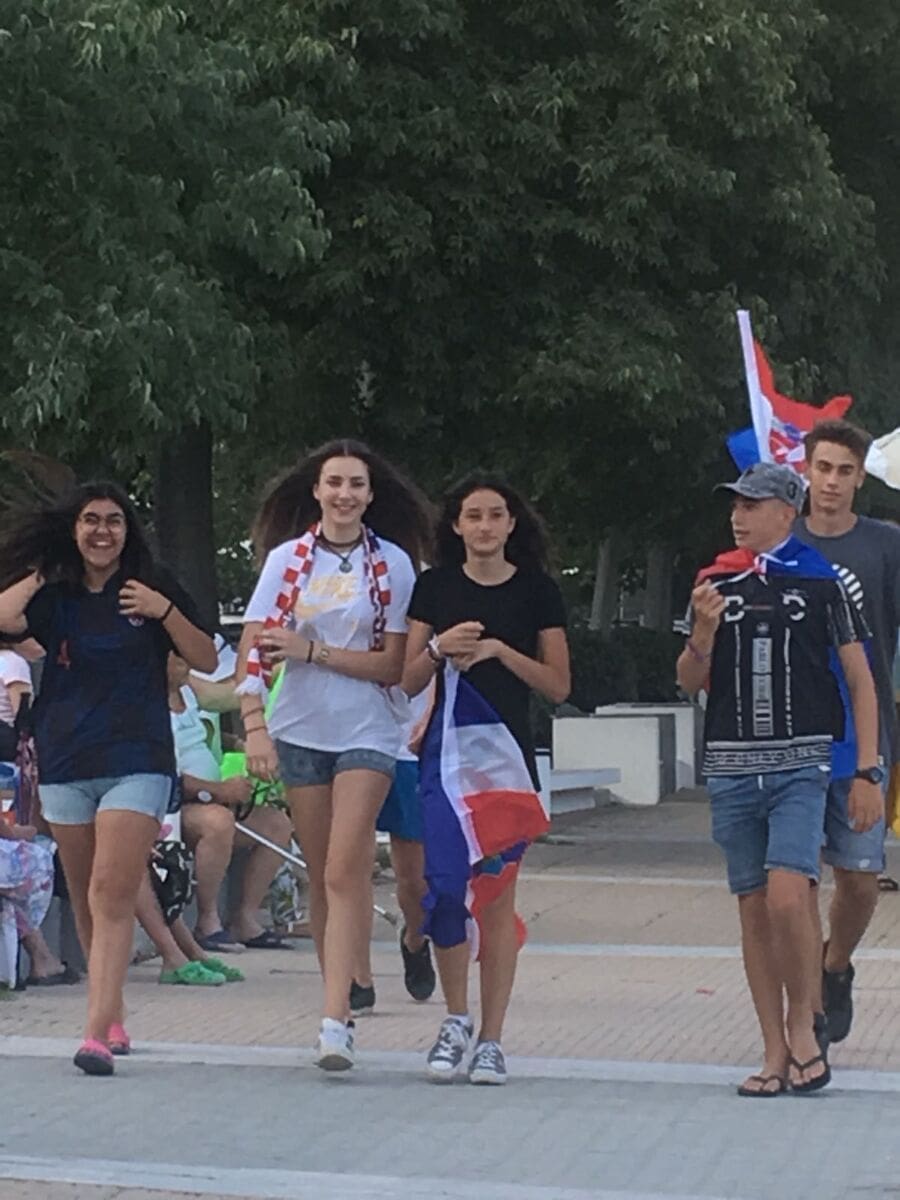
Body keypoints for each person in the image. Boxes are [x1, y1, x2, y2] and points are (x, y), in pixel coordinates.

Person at [677, 462, 881, 1096]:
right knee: (753, 908)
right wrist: (702, 633)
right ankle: (772, 1048)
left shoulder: (821, 583)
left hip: (801, 760)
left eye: (752, 505)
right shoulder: (714, 580)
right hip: (733, 763)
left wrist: (868, 767)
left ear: (786, 513)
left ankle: (803, 1019)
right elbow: (688, 681)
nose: (738, 516)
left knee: (790, 895)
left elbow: (860, 679)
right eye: (736, 504)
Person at [0, 481, 216, 1075]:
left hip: (136, 757)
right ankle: (111, 1009)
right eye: (90, 520)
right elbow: (5, 615)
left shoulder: (150, 586)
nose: (102, 531)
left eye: (114, 520)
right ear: (74, 529)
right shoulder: (58, 593)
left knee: (110, 890)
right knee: (86, 894)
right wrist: (43, 570)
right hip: (67, 759)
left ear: (129, 529)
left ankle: (94, 1034)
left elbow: (206, 657)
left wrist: (163, 611)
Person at [238, 438, 430, 1071]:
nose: (344, 494)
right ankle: (340, 999)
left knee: (347, 867)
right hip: (300, 729)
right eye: (334, 483)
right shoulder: (286, 560)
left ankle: (333, 1021)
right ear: (317, 491)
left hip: (369, 729)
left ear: (371, 495)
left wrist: (313, 651)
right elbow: (253, 651)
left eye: (356, 484)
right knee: (322, 871)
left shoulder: (393, 564)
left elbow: (392, 665)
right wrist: (255, 726)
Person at [402, 474, 570, 1085]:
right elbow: (406, 679)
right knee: (445, 889)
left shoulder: (537, 591)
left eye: (496, 515)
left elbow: (558, 685)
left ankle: (492, 1039)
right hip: (445, 764)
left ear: (511, 524)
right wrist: (439, 648)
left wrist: (501, 651)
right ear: (456, 525)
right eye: (473, 515)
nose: (485, 526)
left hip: (505, 767)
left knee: (496, 900)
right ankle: (455, 1018)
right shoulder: (435, 587)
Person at [793, 420, 900, 1044]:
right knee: (795, 879)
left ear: (861, 477)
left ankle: (835, 965)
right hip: (793, 738)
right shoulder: (782, 538)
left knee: (859, 879)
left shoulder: (885, 546)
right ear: (806, 470)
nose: (831, 482)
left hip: (864, 735)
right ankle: (807, 1012)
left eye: (844, 471)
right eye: (823, 468)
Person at [167, 652, 293, 951]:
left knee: (276, 824)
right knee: (218, 822)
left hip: (212, 798)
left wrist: (242, 745)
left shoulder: (188, 689)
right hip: (173, 805)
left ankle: (245, 918)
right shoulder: (144, 705)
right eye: (177, 658)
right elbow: (167, 775)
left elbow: (225, 701)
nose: (186, 663)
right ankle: (207, 920)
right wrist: (217, 790)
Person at [351, 687, 436, 1015]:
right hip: (353, 741)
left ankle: (414, 937)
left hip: (409, 747)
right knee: (352, 865)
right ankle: (358, 976)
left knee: (415, 879)